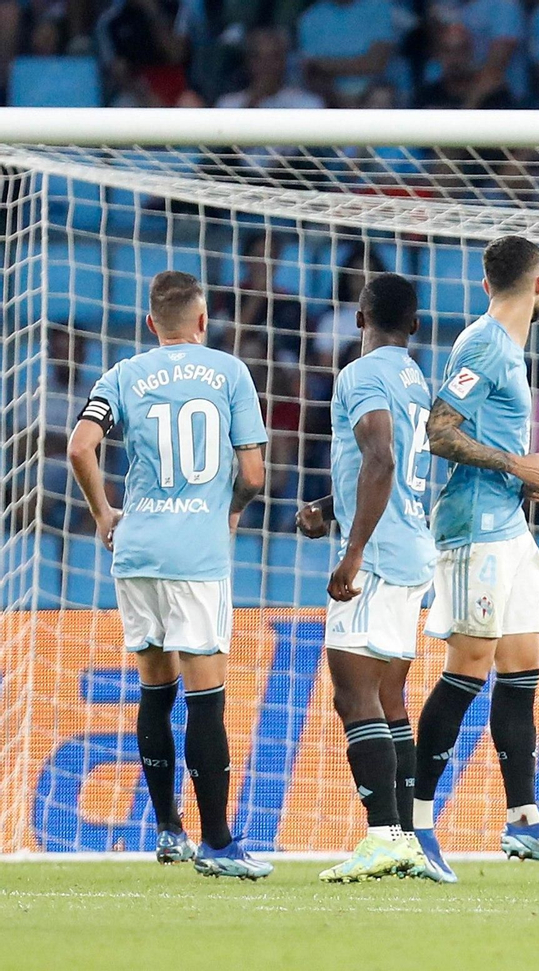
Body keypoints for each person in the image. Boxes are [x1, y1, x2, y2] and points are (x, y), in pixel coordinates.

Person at [66, 271, 270, 879]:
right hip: (196, 557)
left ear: (152, 324)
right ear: (203, 322)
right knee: (206, 700)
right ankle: (219, 842)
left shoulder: (122, 376)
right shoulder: (230, 372)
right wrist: (229, 511)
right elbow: (255, 476)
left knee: (156, 693)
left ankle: (168, 831)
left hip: (137, 552)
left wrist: (105, 512)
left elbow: (79, 447)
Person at [410, 235, 539, 881]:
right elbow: (437, 429)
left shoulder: (508, 349)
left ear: (489, 283)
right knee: (471, 665)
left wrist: (526, 476)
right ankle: (416, 825)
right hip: (474, 530)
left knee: (522, 668)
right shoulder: (484, 343)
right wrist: (516, 462)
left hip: (508, 525)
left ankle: (523, 819)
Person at [293, 274, 434, 883]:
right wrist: (330, 506)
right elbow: (385, 468)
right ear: (416, 326)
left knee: (353, 694)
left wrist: (351, 552)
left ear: (358, 317)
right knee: (390, 698)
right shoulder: (414, 378)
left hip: (375, 557)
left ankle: (381, 836)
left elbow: (381, 459)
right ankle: (403, 838)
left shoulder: (363, 374)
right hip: (410, 550)